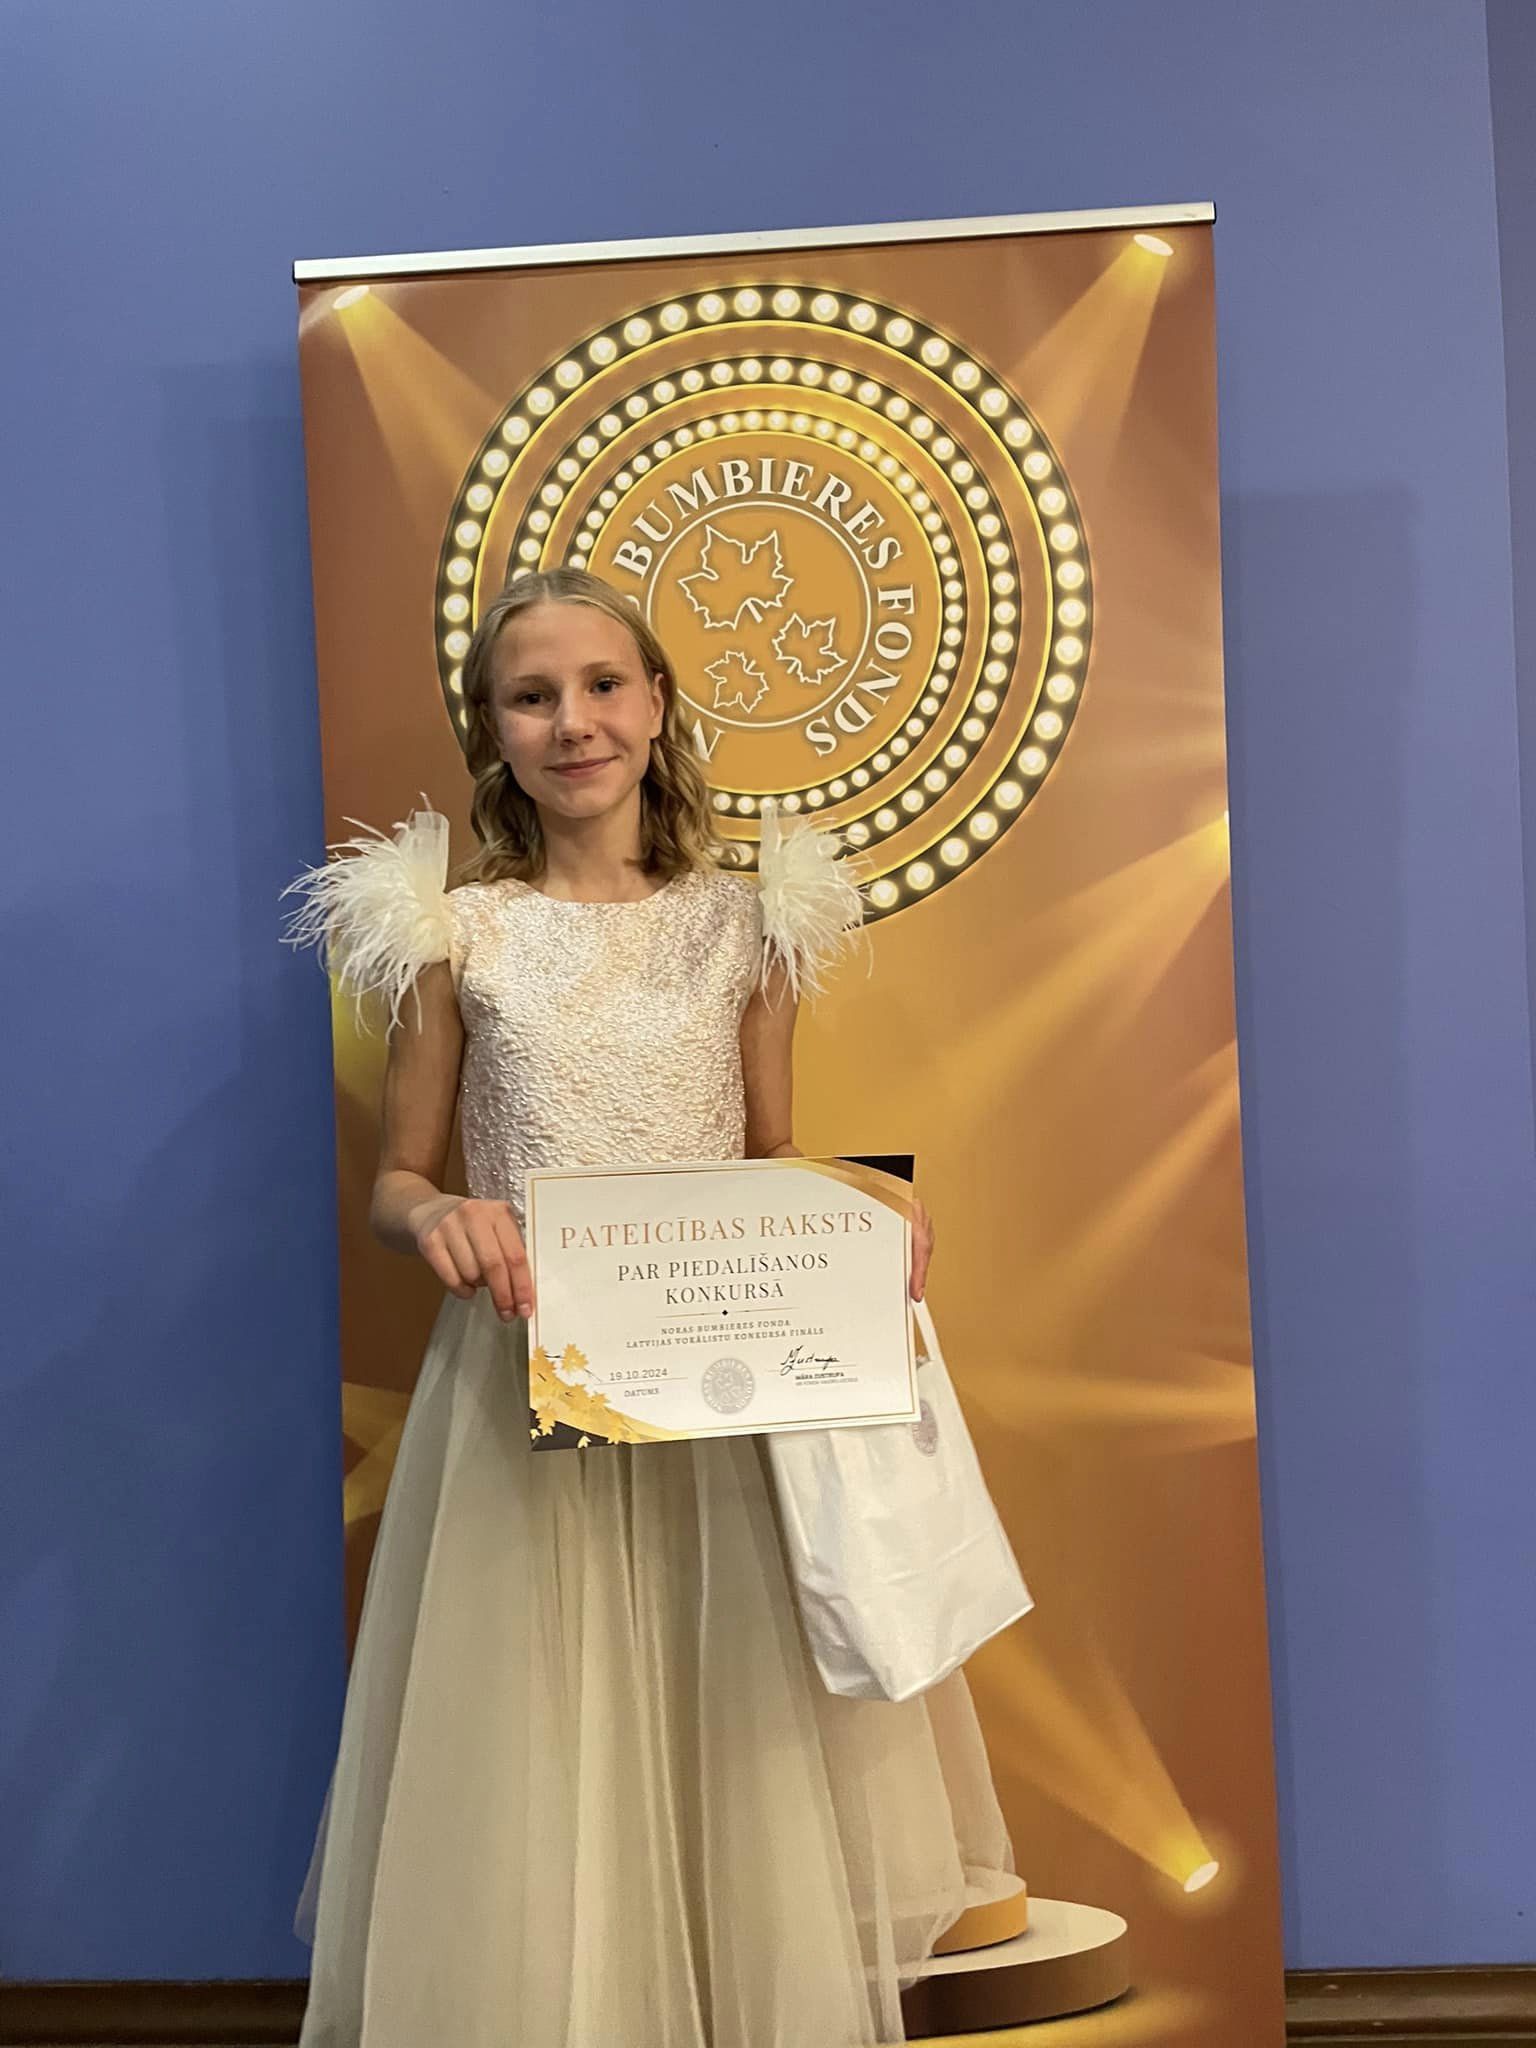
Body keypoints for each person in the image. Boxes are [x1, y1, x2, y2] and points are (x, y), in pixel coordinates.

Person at [284, 568, 1013, 2048]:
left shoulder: (747, 925)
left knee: (735, 1738)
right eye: (532, 696)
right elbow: (399, 1179)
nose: (574, 723)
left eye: (603, 686)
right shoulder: (454, 935)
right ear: (492, 729)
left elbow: (767, 1153)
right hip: (523, 1392)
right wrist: (444, 1215)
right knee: (545, 1741)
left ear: (659, 702)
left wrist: (858, 1218)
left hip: (718, 1404)